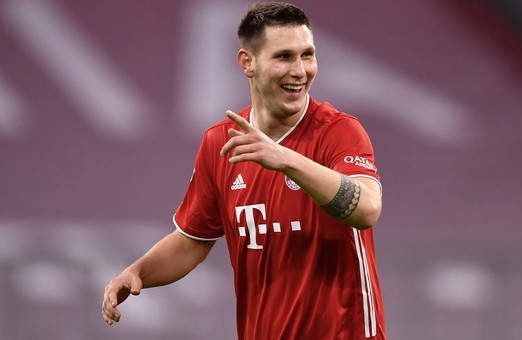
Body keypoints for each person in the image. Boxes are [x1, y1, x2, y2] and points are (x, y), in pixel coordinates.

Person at [102, 2, 387, 339]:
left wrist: (286, 159)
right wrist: (139, 272)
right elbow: (192, 242)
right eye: (284, 57)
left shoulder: (338, 131)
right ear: (247, 62)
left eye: (307, 55)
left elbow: (367, 208)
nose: (300, 70)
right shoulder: (220, 143)